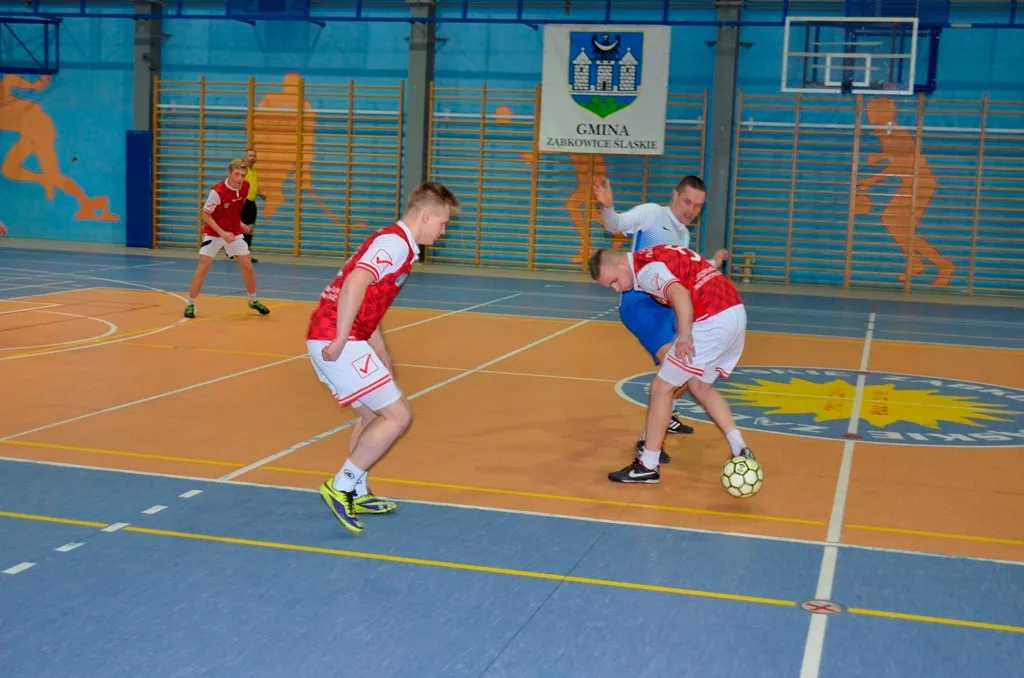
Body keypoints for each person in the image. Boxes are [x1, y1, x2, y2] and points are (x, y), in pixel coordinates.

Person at [308, 181, 459, 534]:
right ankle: (341, 486)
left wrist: (380, 350)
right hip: (337, 337)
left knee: (375, 415)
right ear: (426, 216)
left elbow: (368, 301)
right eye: (443, 223)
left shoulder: (398, 243)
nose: (443, 231)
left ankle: (357, 491)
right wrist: (342, 338)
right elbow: (355, 284)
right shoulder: (394, 244)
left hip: (344, 335)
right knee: (398, 415)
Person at [588, 244, 756, 484]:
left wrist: (685, 336)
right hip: (735, 312)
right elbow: (690, 268)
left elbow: (679, 293)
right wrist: (714, 262)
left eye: (614, 281)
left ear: (622, 263)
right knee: (699, 386)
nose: (616, 289)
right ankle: (740, 447)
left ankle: (648, 466)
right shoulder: (657, 253)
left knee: (660, 389)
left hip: (712, 319)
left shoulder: (645, 271)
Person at [592, 175, 728, 463]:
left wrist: (714, 262)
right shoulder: (652, 214)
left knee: (686, 367)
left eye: (698, 206)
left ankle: (666, 413)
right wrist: (608, 207)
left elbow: (688, 268)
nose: (691, 210)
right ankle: (648, 441)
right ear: (674, 196)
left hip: (666, 305)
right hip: (640, 302)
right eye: (687, 202)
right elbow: (616, 224)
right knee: (680, 367)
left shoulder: (683, 235)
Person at [184, 158, 270, 319]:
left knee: (248, 267)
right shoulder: (217, 191)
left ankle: (252, 300)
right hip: (214, 232)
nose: (239, 178)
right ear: (229, 173)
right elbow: (206, 215)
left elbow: (234, 208)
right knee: (204, 267)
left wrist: (239, 223)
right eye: (236, 174)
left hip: (234, 232)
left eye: (242, 175)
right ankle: (191, 304)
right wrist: (222, 233)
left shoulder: (245, 186)